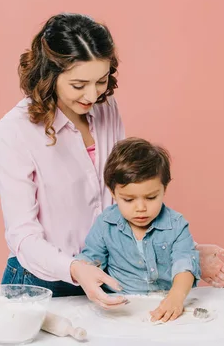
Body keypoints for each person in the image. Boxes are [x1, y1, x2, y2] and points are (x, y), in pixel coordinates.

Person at [0, 12, 224, 309]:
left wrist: (184, 250)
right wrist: (75, 268)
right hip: (41, 284)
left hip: (107, 273)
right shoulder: (16, 130)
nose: (92, 95)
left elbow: (122, 197)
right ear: (50, 75)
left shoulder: (106, 107)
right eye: (78, 84)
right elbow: (23, 237)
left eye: (101, 80)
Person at [76, 137, 200, 323]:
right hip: (122, 308)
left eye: (150, 198)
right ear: (113, 193)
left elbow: (185, 264)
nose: (141, 208)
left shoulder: (176, 224)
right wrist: (83, 269)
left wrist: (176, 297)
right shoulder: (105, 224)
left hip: (165, 302)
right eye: (128, 200)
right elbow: (91, 260)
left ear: (164, 189)